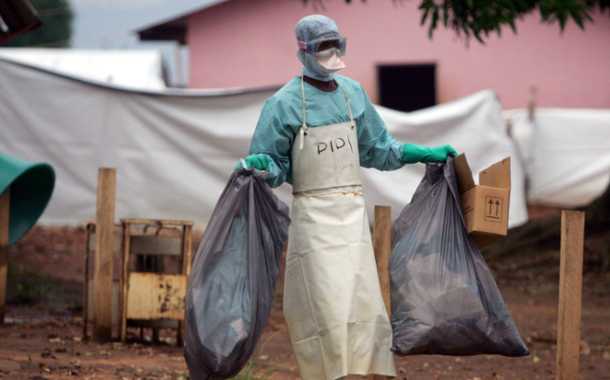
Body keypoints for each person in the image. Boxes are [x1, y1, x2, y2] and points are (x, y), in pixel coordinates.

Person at [236, 15, 457, 380]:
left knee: (364, 301)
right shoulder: (283, 103)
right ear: (303, 51)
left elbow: (377, 149)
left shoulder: (352, 92)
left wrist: (419, 153)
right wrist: (263, 165)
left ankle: (367, 372)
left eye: (334, 44)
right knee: (326, 305)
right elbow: (274, 164)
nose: (330, 53)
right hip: (313, 217)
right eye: (322, 47)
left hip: (352, 215)